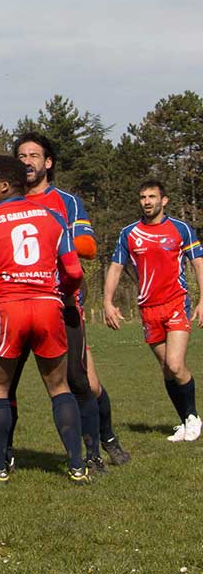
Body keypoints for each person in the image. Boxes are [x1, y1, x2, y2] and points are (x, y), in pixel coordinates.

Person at [0, 155, 89, 484]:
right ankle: (77, 466)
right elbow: (75, 271)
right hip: (49, 306)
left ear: (4, 185)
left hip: (9, 308)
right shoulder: (53, 218)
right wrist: (63, 296)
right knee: (59, 386)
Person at [10, 133, 116, 473]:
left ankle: (93, 451)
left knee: (78, 379)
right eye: (22, 155)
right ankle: (0, 457)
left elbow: (88, 245)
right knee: (5, 384)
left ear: (48, 162)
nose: (27, 161)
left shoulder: (66, 202)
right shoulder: (7, 201)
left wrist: (49, 234)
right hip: (15, 302)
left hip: (62, 301)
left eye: (34, 155)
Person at [103, 179, 203, 442]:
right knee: (166, 369)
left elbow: (198, 263)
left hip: (176, 303)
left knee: (175, 363)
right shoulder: (129, 233)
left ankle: (193, 416)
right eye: (143, 197)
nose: (147, 201)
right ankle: (184, 421)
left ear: (164, 200)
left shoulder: (180, 229)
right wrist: (107, 301)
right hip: (148, 308)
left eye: (151, 197)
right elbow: (115, 266)